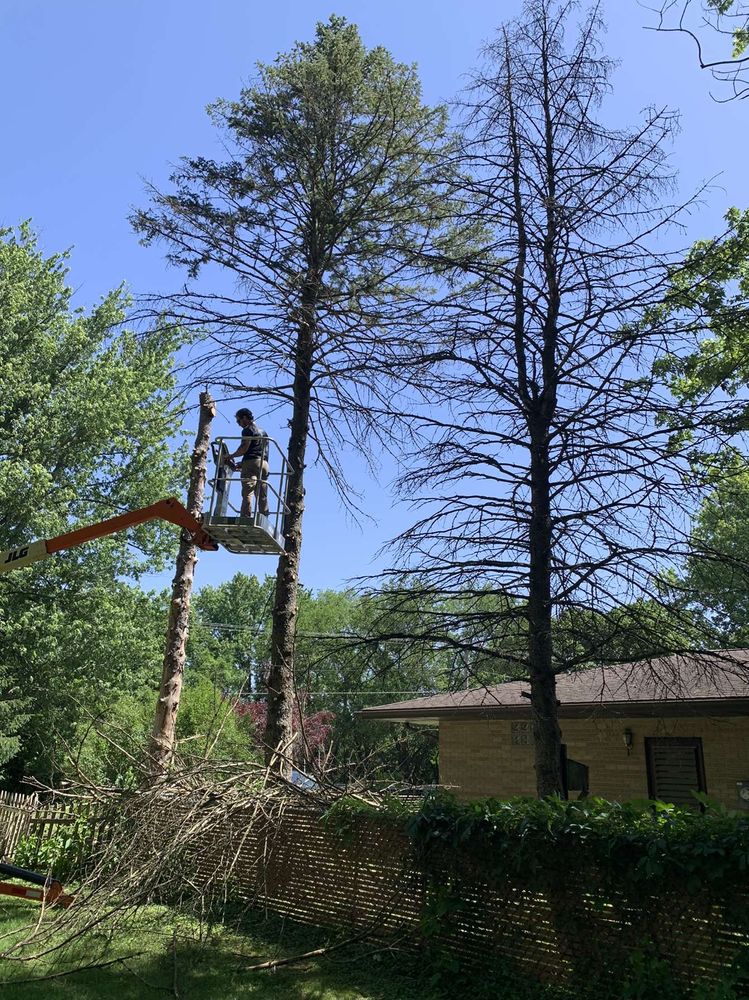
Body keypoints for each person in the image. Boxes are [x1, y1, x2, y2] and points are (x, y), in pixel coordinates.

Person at [227, 408, 269, 518]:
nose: (238, 424)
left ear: (244, 417)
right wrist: (243, 462)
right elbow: (258, 450)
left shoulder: (248, 430)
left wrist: (231, 456)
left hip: (251, 463)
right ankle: (263, 517)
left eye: (238, 421)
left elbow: (244, 448)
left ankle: (245, 516)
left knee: (247, 491)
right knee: (262, 493)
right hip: (264, 464)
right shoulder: (263, 431)